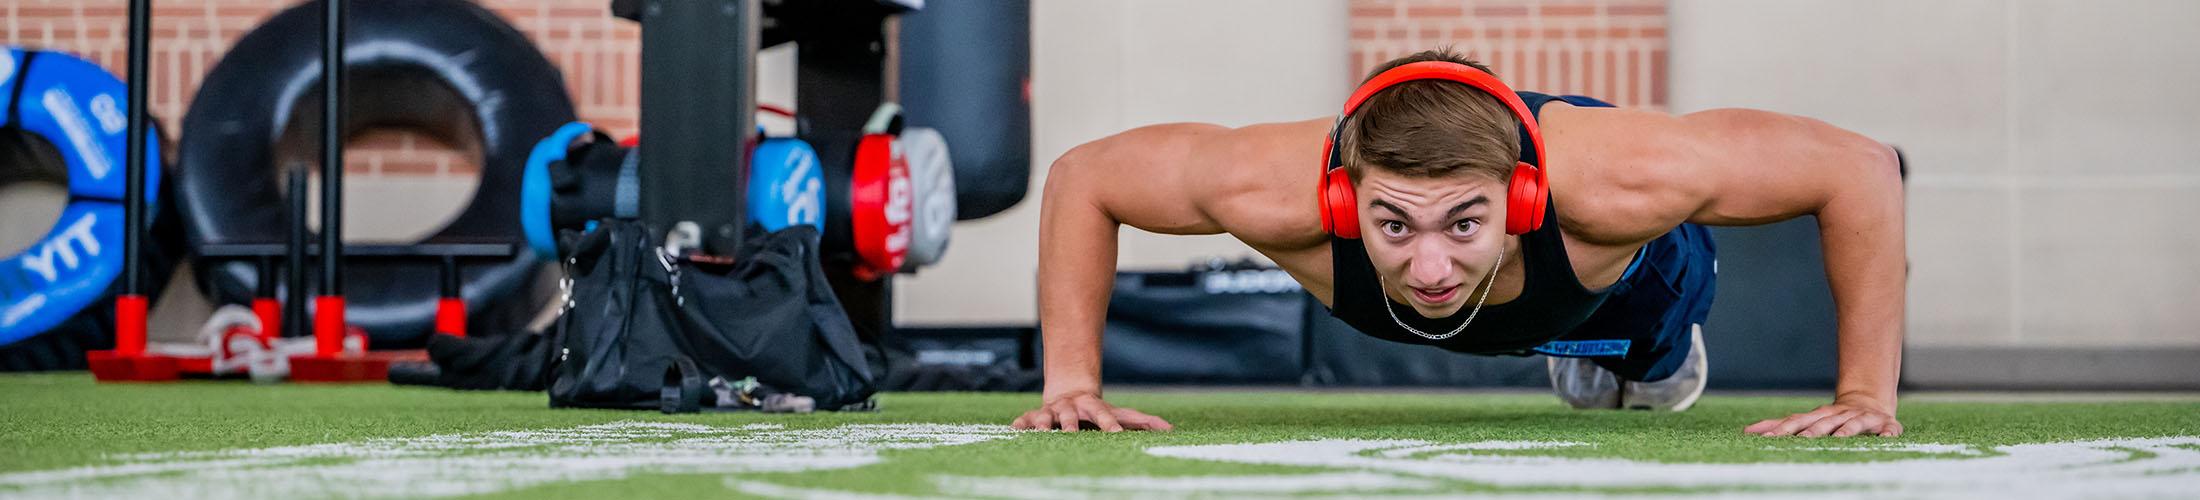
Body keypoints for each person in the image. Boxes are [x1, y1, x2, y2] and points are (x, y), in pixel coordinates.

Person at [1011, 48, 1905, 438]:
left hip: (1620, 291)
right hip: (1505, 262)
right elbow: (1084, 178)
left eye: (1463, 222)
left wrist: (1864, 390)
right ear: (1340, 195)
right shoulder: (1270, 187)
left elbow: (1860, 169)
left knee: (1648, 373)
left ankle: (1638, 357)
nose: (1428, 268)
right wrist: (1072, 385)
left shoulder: (1624, 176)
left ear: (1520, 196)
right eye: (1393, 224)